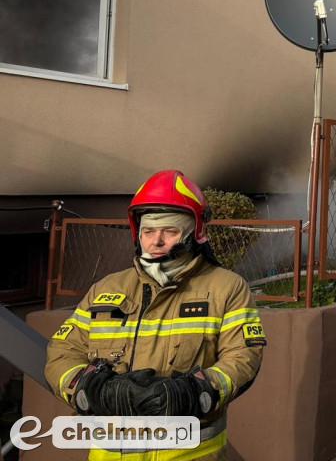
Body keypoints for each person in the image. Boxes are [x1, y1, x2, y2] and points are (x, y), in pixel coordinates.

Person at [45, 170, 266, 460]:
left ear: (194, 233)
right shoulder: (106, 288)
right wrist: (89, 388)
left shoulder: (226, 287)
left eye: (169, 231)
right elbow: (62, 351)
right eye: (148, 231)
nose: (156, 241)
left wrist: (194, 391)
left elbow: (243, 357)